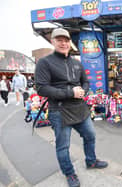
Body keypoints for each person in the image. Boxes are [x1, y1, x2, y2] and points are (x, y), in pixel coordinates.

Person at [35, 28, 108, 187]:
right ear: (52, 42)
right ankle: (69, 173)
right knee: (63, 146)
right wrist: (70, 92)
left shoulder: (77, 63)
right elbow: (41, 89)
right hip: (59, 111)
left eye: (66, 40)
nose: (63, 43)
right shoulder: (44, 62)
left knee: (90, 135)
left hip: (80, 108)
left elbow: (86, 82)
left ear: (70, 43)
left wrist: (83, 91)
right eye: (59, 40)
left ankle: (91, 161)